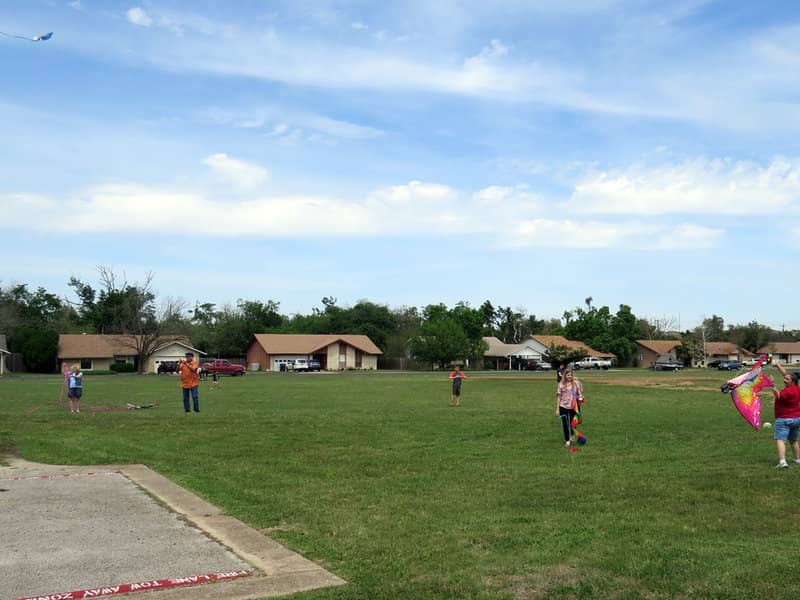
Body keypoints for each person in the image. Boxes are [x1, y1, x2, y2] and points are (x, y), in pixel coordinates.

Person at [771, 361, 800, 468]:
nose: (784, 379)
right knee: (793, 440)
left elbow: (777, 395)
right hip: (797, 419)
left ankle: (782, 462)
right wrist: (778, 365)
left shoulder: (788, 392)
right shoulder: (797, 388)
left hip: (784, 419)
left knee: (781, 440)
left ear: (792, 382)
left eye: (787, 379)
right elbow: (785, 373)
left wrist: (772, 384)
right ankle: (797, 459)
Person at [555, 369, 583, 447]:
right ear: (565, 376)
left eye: (571, 375)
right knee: (565, 424)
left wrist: (580, 397)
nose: (569, 376)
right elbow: (559, 397)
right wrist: (557, 409)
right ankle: (567, 440)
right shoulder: (561, 384)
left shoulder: (576, 383)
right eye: (568, 375)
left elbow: (580, 393)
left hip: (573, 407)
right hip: (563, 406)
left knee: (572, 424)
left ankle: (572, 435)